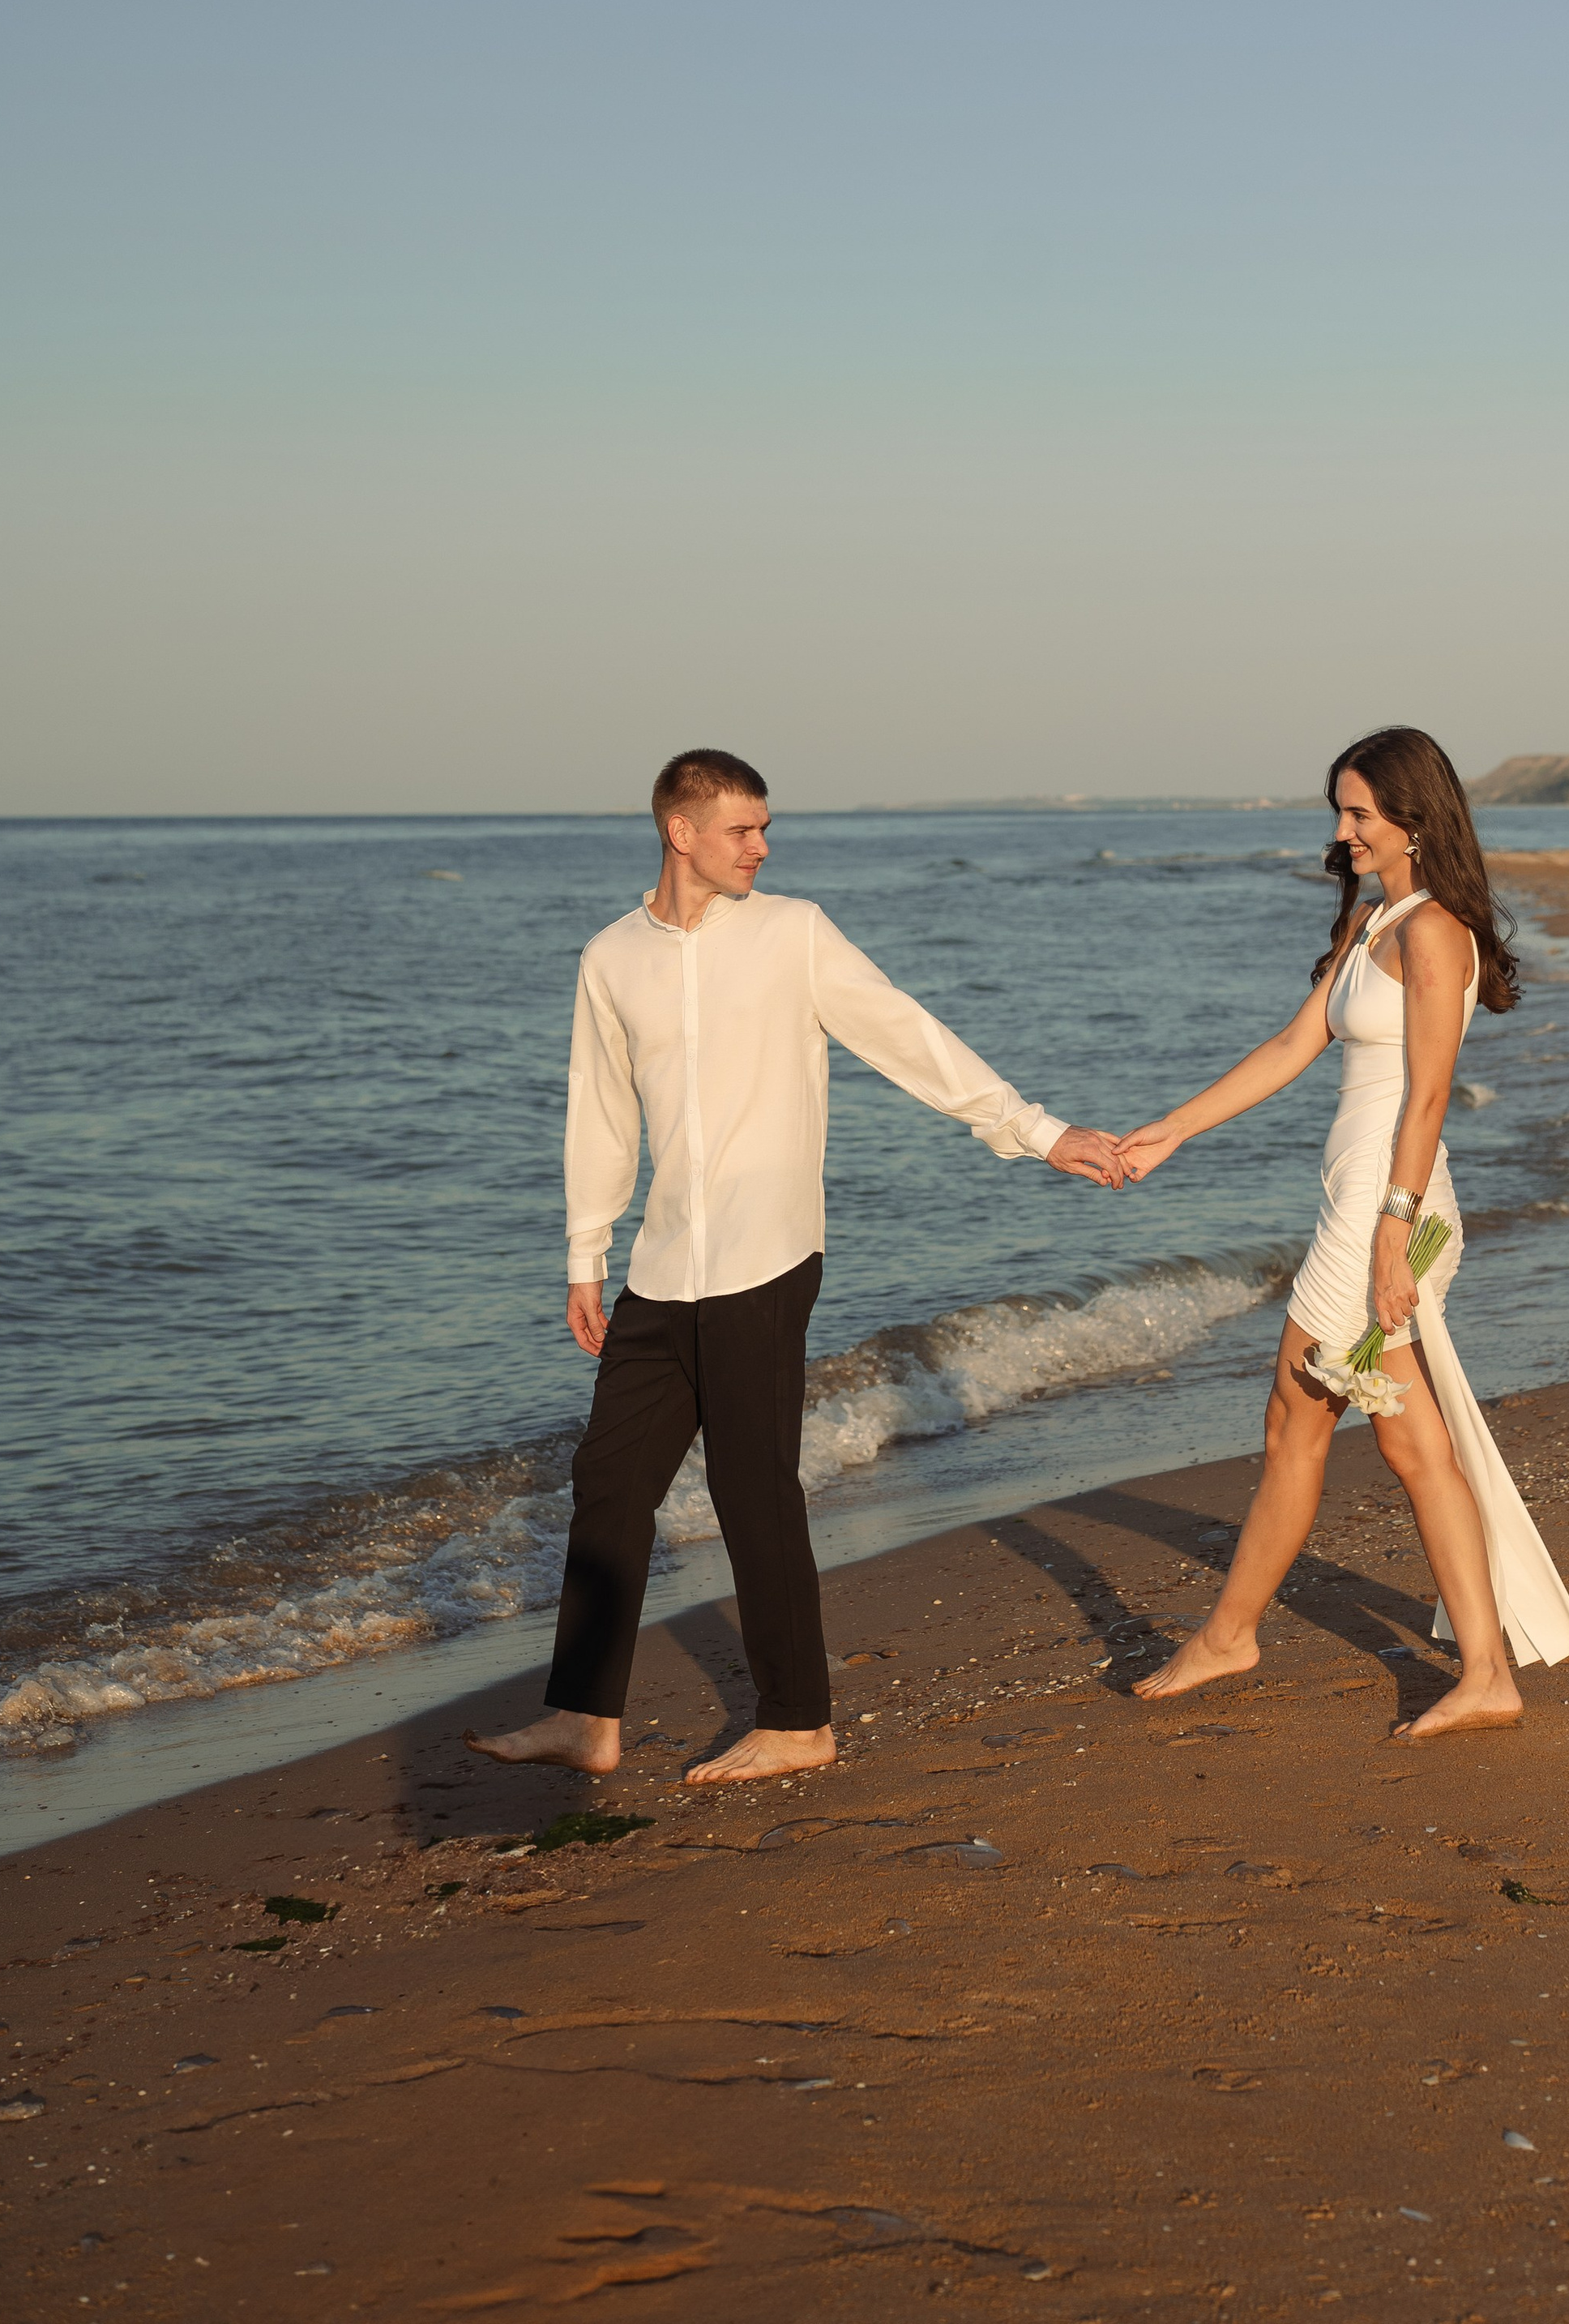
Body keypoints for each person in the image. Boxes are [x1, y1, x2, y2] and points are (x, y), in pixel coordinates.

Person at [470, 748, 1123, 1788]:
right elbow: (599, 1112)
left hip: (768, 1252)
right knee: (607, 1483)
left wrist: (1036, 1131)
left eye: (765, 827)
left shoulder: (793, 932)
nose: (762, 847)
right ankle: (588, 1713)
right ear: (680, 831)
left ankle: (797, 1718)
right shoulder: (611, 957)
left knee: (750, 1485)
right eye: (742, 829)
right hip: (663, 1263)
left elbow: (908, 1036)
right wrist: (585, 1251)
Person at [1121, 725, 1569, 1740]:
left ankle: (1233, 1635)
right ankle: (1478, 1669)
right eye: (1340, 810)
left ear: (1412, 819)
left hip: (1391, 1204)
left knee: (1308, 1413)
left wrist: (1392, 1231)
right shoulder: (1375, 924)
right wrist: (1172, 1129)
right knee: (1391, 1436)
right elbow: (1294, 1043)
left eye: (1358, 813)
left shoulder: (1434, 932)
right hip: (1361, 1201)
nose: (1341, 833)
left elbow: (1426, 1098)